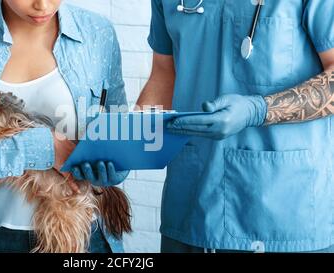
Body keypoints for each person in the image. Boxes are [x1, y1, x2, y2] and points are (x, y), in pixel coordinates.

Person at [0, 0, 128, 253]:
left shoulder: (98, 33)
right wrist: (45, 148)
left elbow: (119, 130)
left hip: (83, 233)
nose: (42, 5)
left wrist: (116, 165)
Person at [136, 0, 334, 253]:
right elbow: (165, 75)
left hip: (281, 210)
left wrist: (257, 110)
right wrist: (123, 149)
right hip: (190, 205)